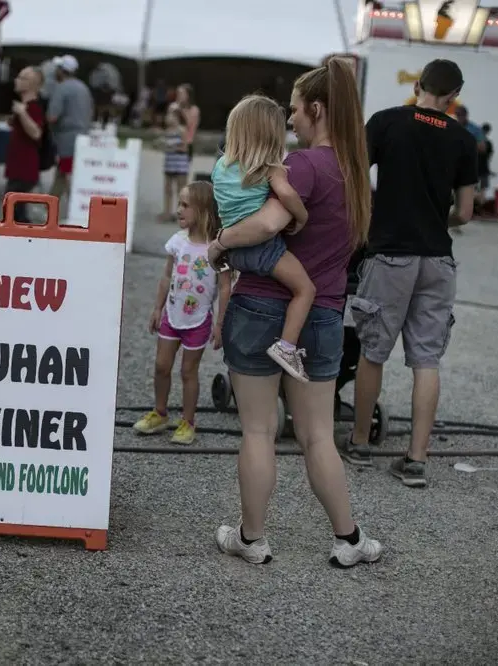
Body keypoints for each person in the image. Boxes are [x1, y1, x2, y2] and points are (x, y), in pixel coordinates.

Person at [208, 58, 382, 568]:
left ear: (317, 109)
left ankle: (252, 537)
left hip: (261, 304)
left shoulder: (302, 167)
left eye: (295, 110)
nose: (291, 120)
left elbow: (265, 224)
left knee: (259, 431)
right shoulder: (354, 173)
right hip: (325, 314)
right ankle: (349, 540)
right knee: (319, 436)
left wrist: (218, 243)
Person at [344, 59, 477, 488]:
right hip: (438, 259)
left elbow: (354, 180)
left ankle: (361, 443)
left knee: (373, 350)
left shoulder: (385, 123)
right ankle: (416, 460)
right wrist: (438, 220)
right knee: (426, 359)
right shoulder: (463, 139)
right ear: (454, 96)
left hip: (390, 255)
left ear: (418, 84)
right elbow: (467, 213)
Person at [210, 95, 314, 382]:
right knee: (305, 290)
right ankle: (287, 346)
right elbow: (289, 195)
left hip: (235, 250)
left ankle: (222, 328)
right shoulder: (270, 168)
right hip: (263, 248)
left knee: (230, 292)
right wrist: (302, 218)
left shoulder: (220, 166)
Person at [134, 181, 231, 445]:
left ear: (203, 210)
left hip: (198, 321)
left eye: (185, 205)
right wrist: (157, 307)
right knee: (161, 366)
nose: (179, 210)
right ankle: (160, 412)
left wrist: (220, 324)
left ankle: (188, 422)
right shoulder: (177, 242)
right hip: (172, 316)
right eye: (179, 204)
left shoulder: (217, 248)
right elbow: (166, 276)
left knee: (189, 372)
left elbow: (225, 287)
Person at [46, 55, 93, 209]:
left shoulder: (62, 88)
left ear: (62, 70)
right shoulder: (83, 88)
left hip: (66, 139)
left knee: (66, 174)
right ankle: (49, 206)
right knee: (63, 173)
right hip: (83, 137)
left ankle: (77, 208)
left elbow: (52, 116)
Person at [5, 66, 46, 223]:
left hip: (24, 170)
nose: (17, 80)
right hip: (17, 169)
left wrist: (22, 114)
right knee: (14, 213)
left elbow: (36, 133)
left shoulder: (33, 107)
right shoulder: (25, 107)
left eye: (22, 78)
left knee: (16, 215)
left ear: (31, 84)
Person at [159, 106, 190, 221]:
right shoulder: (167, 131)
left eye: (171, 115)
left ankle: (182, 214)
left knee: (181, 190)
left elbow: (185, 148)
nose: (168, 118)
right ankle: (167, 212)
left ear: (177, 117)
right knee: (167, 189)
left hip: (180, 164)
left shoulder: (181, 130)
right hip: (169, 163)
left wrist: (171, 147)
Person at [175, 84, 201, 169]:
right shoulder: (174, 108)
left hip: (187, 143)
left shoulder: (194, 110)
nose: (179, 96)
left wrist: (180, 111)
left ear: (188, 95)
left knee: (182, 175)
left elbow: (190, 124)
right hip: (174, 142)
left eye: (182, 94)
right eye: (178, 94)